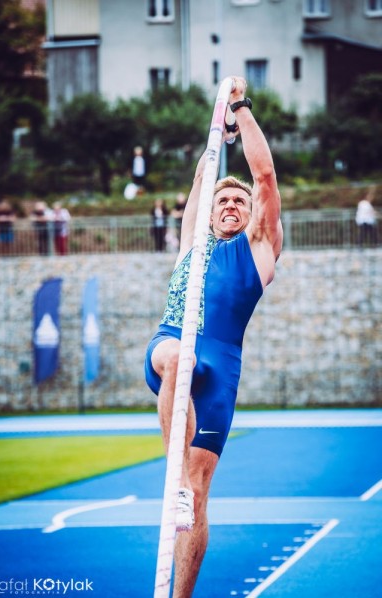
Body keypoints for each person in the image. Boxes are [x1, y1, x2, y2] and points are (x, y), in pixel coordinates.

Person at [144, 76, 283, 597]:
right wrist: (215, 135)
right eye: (222, 200)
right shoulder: (191, 245)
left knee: (198, 501)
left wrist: (240, 108)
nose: (228, 204)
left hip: (220, 371)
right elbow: (204, 181)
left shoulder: (258, 250)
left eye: (237, 202)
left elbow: (264, 176)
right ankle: (174, 478)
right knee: (177, 357)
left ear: (250, 217)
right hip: (174, 343)